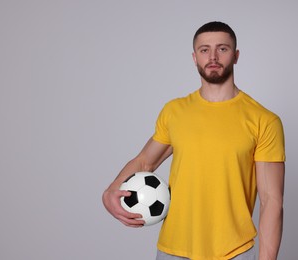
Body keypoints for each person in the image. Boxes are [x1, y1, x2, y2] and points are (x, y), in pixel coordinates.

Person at [102, 21, 285, 260]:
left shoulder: (263, 120)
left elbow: (271, 200)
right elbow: (145, 162)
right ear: (194, 57)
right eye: (204, 49)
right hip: (173, 250)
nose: (213, 56)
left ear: (236, 55)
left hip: (233, 251)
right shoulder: (174, 111)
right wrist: (110, 191)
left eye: (222, 48)